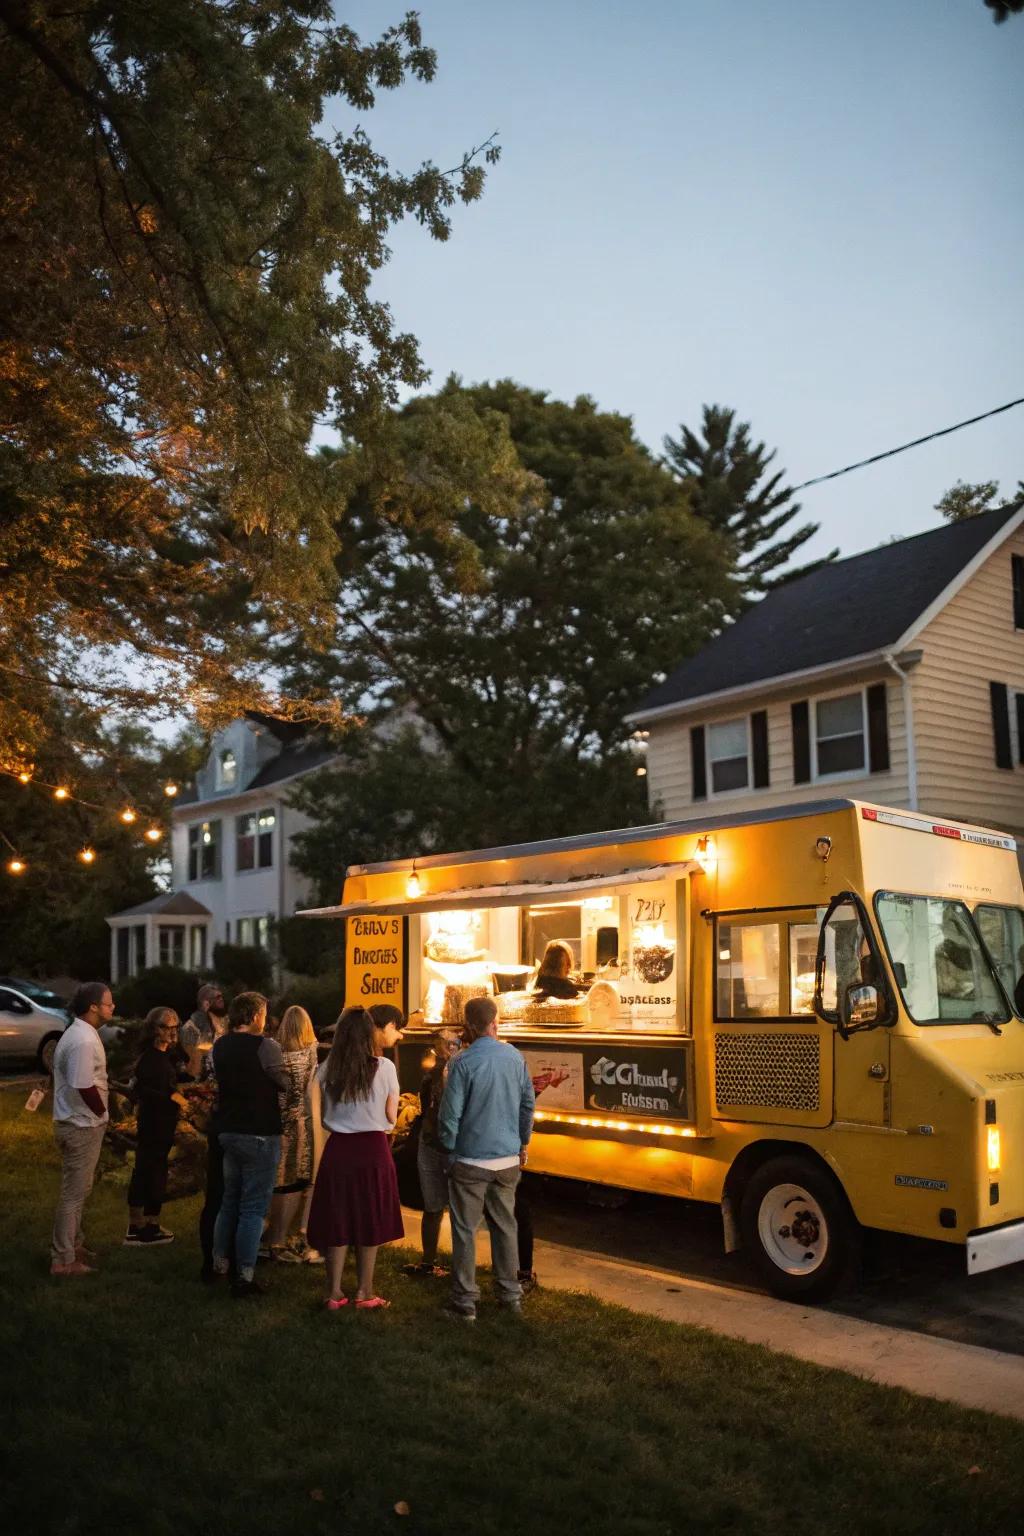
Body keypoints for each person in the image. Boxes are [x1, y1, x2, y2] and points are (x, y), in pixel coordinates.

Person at [437, 995, 535, 1321]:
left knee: (465, 1230)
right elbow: (527, 1107)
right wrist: (522, 1143)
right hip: (507, 1159)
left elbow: (450, 1116)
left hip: (470, 1158)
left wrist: (448, 1149)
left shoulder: (461, 1063)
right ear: (495, 1023)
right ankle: (510, 1295)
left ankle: (465, 1302)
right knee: (505, 1226)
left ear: (468, 1026)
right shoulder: (515, 1058)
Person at [307, 1007, 404, 1311]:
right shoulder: (385, 1067)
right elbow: (391, 1117)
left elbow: (320, 1116)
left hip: (339, 1149)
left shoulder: (326, 1070)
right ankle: (365, 1290)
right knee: (370, 1216)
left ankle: (333, 1292)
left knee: (338, 1217)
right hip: (373, 1149)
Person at [210, 991, 288, 1299]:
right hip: (259, 1131)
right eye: (264, 1014)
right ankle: (244, 1274)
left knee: (229, 1200)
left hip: (229, 1129)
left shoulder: (220, 1045)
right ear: (255, 1016)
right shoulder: (266, 1047)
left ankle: (219, 1264)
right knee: (253, 1207)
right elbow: (284, 1082)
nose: (265, 1020)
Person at [50, 981, 115, 1277]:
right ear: (93, 1007)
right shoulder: (84, 1040)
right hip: (80, 1125)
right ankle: (62, 1260)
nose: (113, 1008)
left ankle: (74, 1245)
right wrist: (103, 1112)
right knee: (73, 1194)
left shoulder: (80, 1033)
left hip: (78, 1122)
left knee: (80, 1189)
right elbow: (83, 1084)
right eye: (108, 1003)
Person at [124, 1007, 189, 1247]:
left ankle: (151, 1223)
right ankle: (137, 1225)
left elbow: (174, 1079)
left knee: (157, 1170)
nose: (172, 1032)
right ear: (153, 1029)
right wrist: (175, 1099)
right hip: (152, 1124)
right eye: (166, 1027)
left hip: (163, 1125)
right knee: (146, 1169)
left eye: (175, 1027)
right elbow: (148, 1092)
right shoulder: (149, 1060)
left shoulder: (165, 1055)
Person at [402, 1026, 461, 1279]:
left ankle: (459, 1266)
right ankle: (429, 1261)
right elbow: (427, 1108)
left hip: (452, 1145)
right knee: (433, 1205)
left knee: (457, 1209)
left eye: (450, 1043)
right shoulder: (432, 1075)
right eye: (442, 1044)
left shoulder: (461, 1071)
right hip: (432, 1143)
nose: (445, 1048)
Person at [265, 1005, 319, 1262]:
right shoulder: (310, 1051)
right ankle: (283, 1238)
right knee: (297, 1181)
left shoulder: (274, 1050)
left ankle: (272, 1237)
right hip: (301, 1123)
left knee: (277, 1181)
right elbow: (309, 1091)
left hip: (275, 1123)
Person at [179, 983, 227, 1078]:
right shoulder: (191, 1028)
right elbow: (193, 1064)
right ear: (206, 1003)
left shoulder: (225, 1023)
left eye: (221, 996)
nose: (221, 999)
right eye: (217, 997)